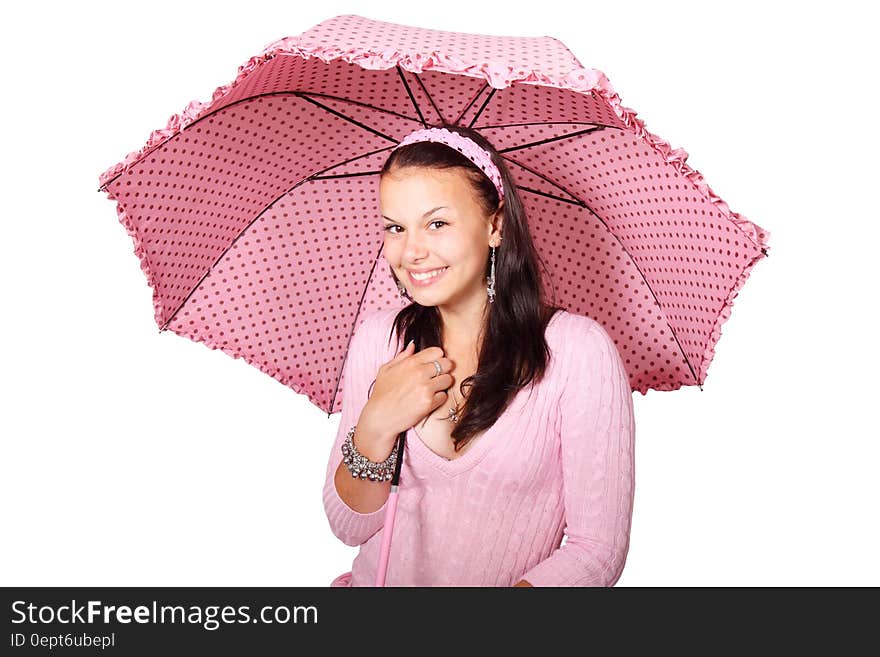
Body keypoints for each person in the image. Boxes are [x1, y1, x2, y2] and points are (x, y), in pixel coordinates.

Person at [323, 124, 635, 586]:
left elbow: (597, 551)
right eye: (395, 227)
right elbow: (350, 527)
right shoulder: (380, 339)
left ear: (495, 225)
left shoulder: (577, 352)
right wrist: (377, 423)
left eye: (437, 223)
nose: (411, 251)